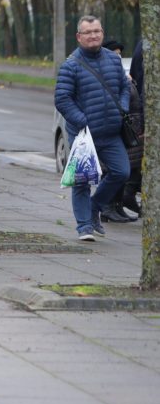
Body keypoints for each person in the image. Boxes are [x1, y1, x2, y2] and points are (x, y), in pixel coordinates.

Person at [54, 15, 131, 240]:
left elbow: (124, 88)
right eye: (88, 32)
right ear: (79, 37)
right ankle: (84, 227)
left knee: (121, 172)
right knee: (82, 181)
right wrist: (82, 120)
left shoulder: (113, 60)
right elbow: (62, 99)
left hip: (111, 132)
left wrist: (123, 107)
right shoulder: (71, 65)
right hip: (84, 134)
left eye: (97, 31)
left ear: (102, 33)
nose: (93, 35)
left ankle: (95, 206)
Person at [102, 40, 141, 221]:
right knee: (114, 170)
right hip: (116, 128)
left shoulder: (123, 76)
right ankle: (106, 207)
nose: (118, 56)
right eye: (114, 53)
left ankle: (117, 207)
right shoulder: (108, 76)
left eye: (119, 53)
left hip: (128, 128)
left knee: (124, 170)